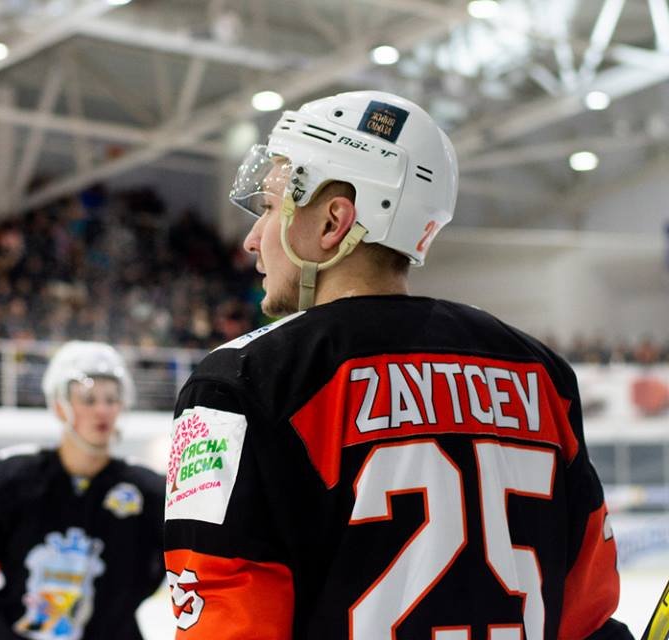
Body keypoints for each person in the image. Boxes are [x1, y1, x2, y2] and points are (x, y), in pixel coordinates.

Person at [163, 91, 632, 639]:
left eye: (268, 209)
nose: (250, 239)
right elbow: (587, 616)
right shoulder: (541, 372)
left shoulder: (243, 381)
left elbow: (226, 622)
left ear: (333, 221)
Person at [0, 341, 165, 640]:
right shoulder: (7, 481)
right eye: (88, 399)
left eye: (111, 398)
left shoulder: (150, 492)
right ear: (59, 406)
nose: (102, 410)